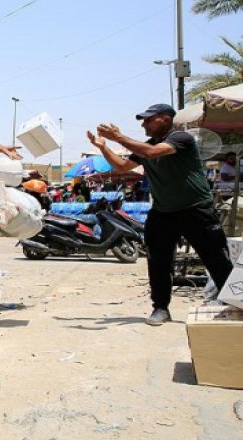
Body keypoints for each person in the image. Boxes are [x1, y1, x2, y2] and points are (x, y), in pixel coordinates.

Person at [87, 103, 233, 326]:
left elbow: (153, 153)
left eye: (148, 119)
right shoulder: (146, 146)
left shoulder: (181, 139)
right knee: (159, 262)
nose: (143, 124)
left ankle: (233, 304)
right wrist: (103, 147)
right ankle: (161, 308)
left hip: (196, 209)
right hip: (164, 211)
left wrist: (119, 137)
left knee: (216, 258)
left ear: (165, 119)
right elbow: (123, 167)